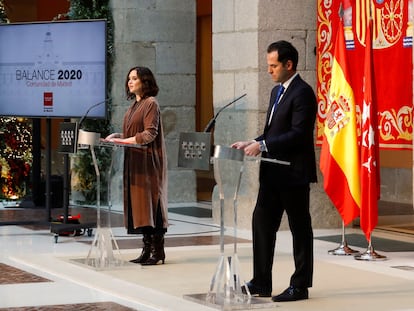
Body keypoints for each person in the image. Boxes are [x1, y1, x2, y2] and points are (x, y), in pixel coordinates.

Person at [231, 40, 317, 302]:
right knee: (261, 224)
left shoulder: (302, 92)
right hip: (272, 173)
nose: (269, 71)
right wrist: (253, 141)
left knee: (299, 229)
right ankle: (261, 282)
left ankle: (300, 285)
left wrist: (264, 144)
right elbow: (273, 132)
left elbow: (299, 134)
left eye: (273, 65)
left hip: (293, 173)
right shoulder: (276, 92)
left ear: (288, 65)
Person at [105, 66, 168, 265]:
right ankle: (146, 249)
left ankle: (158, 252)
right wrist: (118, 137)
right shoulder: (133, 106)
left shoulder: (151, 103)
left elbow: (149, 134)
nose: (130, 82)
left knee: (151, 205)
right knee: (140, 208)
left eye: (134, 78)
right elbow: (134, 134)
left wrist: (124, 141)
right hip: (135, 162)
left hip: (149, 163)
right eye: (129, 78)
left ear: (145, 82)